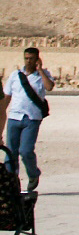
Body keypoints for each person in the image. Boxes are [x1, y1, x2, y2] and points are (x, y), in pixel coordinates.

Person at [1, 47, 55, 192]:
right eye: (26, 58)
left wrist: (40, 70)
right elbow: (7, 97)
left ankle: (33, 174)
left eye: (31, 58)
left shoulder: (43, 75)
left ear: (37, 59)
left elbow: (49, 87)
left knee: (25, 151)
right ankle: (11, 184)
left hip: (32, 118)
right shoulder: (15, 75)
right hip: (14, 117)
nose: (28, 61)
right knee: (10, 153)